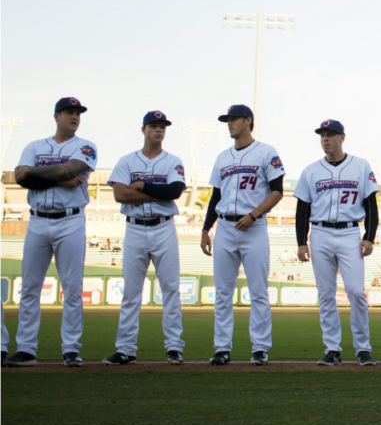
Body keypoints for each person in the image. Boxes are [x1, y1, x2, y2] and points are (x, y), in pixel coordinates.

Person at [5, 98, 96, 368]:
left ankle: (71, 348)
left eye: (78, 113)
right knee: (30, 287)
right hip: (37, 221)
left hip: (71, 220)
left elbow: (70, 169)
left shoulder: (85, 146)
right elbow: (19, 177)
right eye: (69, 112)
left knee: (72, 288)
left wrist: (35, 171)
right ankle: (26, 349)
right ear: (56, 116)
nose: (75, 116)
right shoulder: (34, 146)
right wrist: (60, 178)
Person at [201, 105, 285, 366]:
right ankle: (222, 347)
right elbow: (217, 196)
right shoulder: (222, 157)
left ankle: (260, 347)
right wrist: (206, 228)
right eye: (227, 120)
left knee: (258, 290)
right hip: (225, 227)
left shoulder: (266, 152)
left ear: (248, 121)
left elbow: (277, 191)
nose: (229, 124)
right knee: (223, 293)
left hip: (254, 228)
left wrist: (254, 215)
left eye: (234, 119)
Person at [103, 111, 187, 366]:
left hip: (164, 228)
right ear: (144, 130)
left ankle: (174, 347)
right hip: (135, 229)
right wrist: (156, 194)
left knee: (171, 289)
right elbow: (121, 196)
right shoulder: (127, 161)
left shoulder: (173, 161)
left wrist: (143, 186)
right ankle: (126, 348)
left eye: (162, 126)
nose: (158, 130)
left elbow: (175, 191)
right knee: (131, 291)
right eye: (153, 126)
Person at [294, 119, 378, 367]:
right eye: (322, 136)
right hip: (320, 233)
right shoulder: (311, 170)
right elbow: (302, 210)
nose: (325, 139)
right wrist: (301, 241)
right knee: (326, 294)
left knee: (355, 292)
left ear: (342, 137)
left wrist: (369, 236)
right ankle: (332, 348)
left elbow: (371, 205)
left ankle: (363, 348)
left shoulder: (360, 166)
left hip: (350, 233)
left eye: (330, 135)